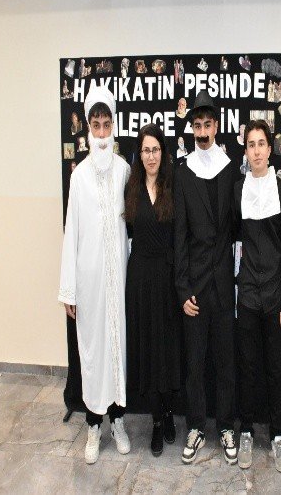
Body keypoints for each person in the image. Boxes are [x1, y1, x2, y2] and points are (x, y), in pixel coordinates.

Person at [58, 85, 131, 465]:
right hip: (88, 284)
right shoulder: (79, 177)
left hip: (118, 283)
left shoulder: (124, 171)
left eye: (107, 125)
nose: (102, 134)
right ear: (88, 128)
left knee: (116, 350)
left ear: (114, 126)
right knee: (92, 352)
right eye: (96, 126)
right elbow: (71, 234)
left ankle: (117, 421)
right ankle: (92, 424)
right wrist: (69, 290)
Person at [174, 90, 238, 465]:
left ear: (216, 126)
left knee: (225, 364)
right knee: (195, 365)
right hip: (195, 288)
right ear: (192, 128)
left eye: (207, 125)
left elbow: (236, 231)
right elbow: (179, 236)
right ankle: (196, 427)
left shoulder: (230, 170)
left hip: (224, 285)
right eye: (196, 125)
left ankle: (226, 426)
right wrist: (182, 289)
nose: (201, 131)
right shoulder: (182, 172)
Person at [233, 120, 281, 473]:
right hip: (247, 295)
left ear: (270, 149)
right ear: (245, 151)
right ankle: (245, 431)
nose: (256, 150)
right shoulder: (238, 191)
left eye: (261, 143)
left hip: (275, 298)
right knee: (248, 368)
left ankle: (276, 434)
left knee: (276, 370)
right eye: (251, 144)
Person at [124, 124, 181, 457]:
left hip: (168, 278)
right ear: (139, 154)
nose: (150, 156)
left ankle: (169, 411)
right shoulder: (130, 189)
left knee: (167, 349)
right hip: (141, 280)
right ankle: (157, 420)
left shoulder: (173, 186)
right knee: (149, 350)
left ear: (163, 152)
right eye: (145, 150)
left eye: (155, 149)